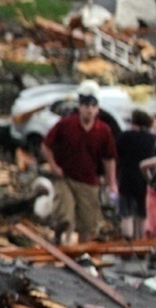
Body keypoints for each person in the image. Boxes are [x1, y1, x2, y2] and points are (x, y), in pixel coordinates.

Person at [41, 80, 118, 245]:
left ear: (97, 109)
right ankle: (59, 239)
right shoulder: (66, 124)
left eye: (92, 106)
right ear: (79, 106)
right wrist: (53, 165)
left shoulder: (103, 131)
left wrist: (111, 183)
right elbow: (46, 145)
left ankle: (83, 254)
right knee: (65, 216)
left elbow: (109, 158)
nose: (88, 109)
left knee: (89, 224)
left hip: (89, 181)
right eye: (85, 105)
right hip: (65, 177)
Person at [117, 110, 156, 240]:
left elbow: (116, 154)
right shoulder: (151, 139)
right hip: (144, 178)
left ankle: (128, 243)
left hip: (126, 177)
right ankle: (142, 243)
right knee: (142, 213)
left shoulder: (124, 136)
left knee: (126, 213)